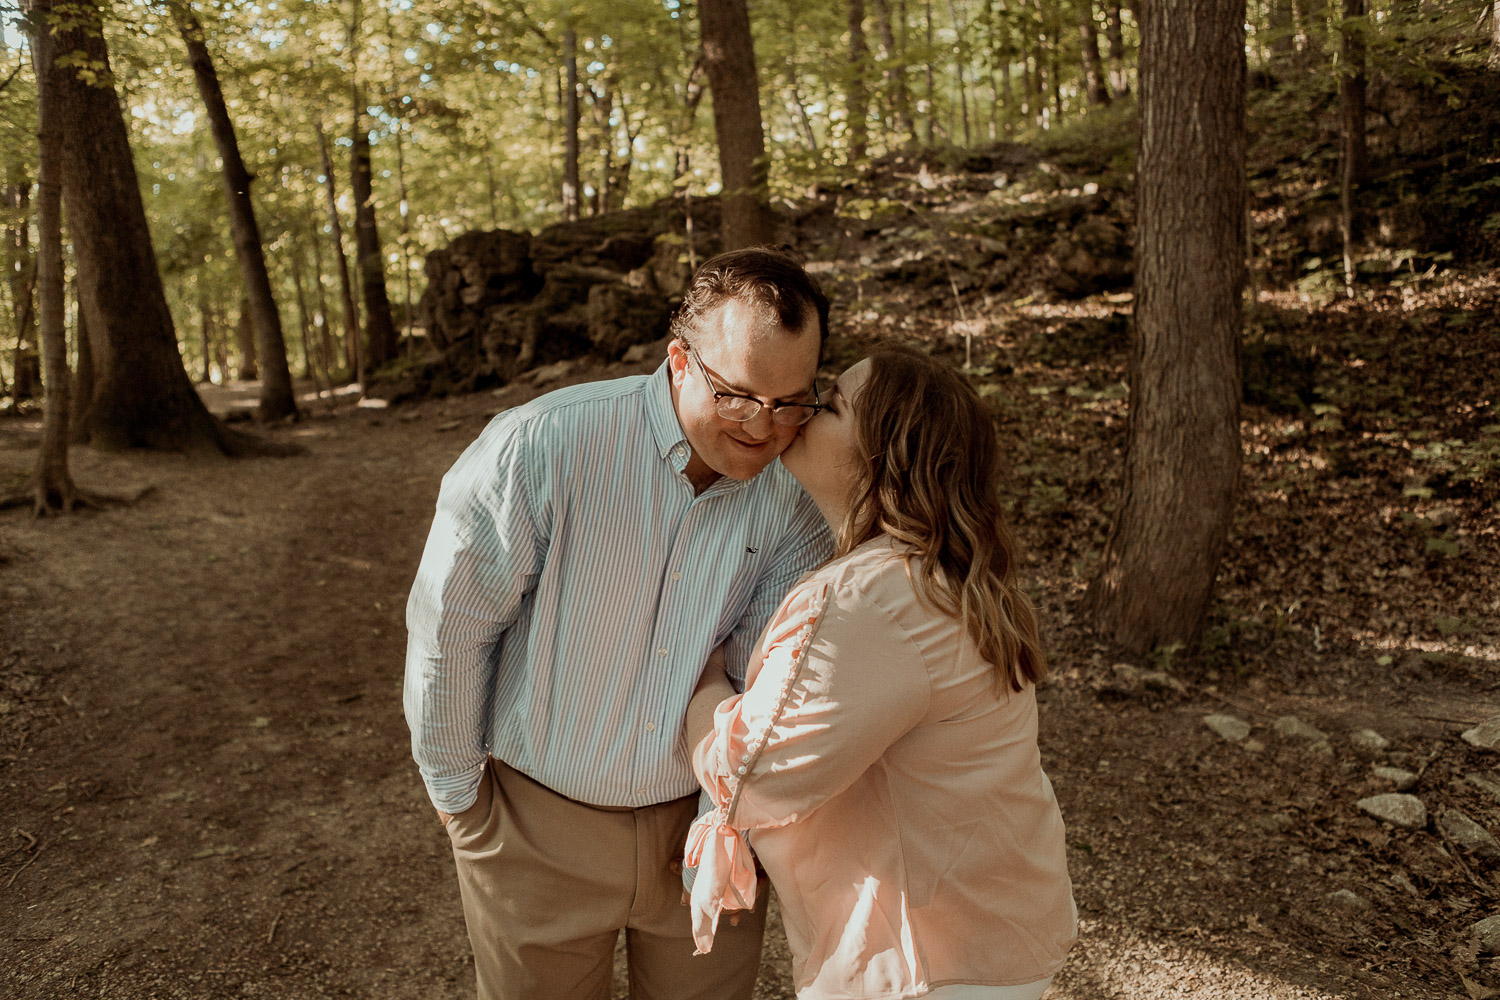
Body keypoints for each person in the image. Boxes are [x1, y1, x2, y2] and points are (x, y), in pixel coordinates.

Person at [404, 246, 834, 1000]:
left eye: (791, 401)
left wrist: (722, 826)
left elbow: (763, 683)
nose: (765, 429)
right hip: (535, 831)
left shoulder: (794, 503)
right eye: (738, 395)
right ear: (679, 362)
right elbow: (452, 625)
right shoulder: (540, 447)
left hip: (706, 828)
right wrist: (460, 802)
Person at [683, 345, 1077, 1000]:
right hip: (994, 935)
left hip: (929, 964)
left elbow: (754, 774)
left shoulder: (872, 599)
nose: (803, 412)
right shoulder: (940, 577)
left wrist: (703, 679)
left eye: (832, 404)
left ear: (886, 455)